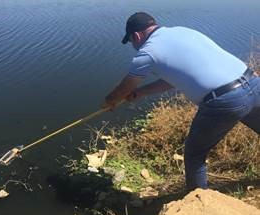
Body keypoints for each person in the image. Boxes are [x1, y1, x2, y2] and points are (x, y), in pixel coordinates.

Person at [102, 12, 260, 191]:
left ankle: (196, 205)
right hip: (253, 83)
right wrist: (142, 92)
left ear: (136, 35)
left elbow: (126, 86)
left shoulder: (147, 52)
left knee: (194, 155)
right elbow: (172, 80)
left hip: (225, 100)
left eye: (131, 41)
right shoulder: (182, 31)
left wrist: (110, 101)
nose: (134, 46)